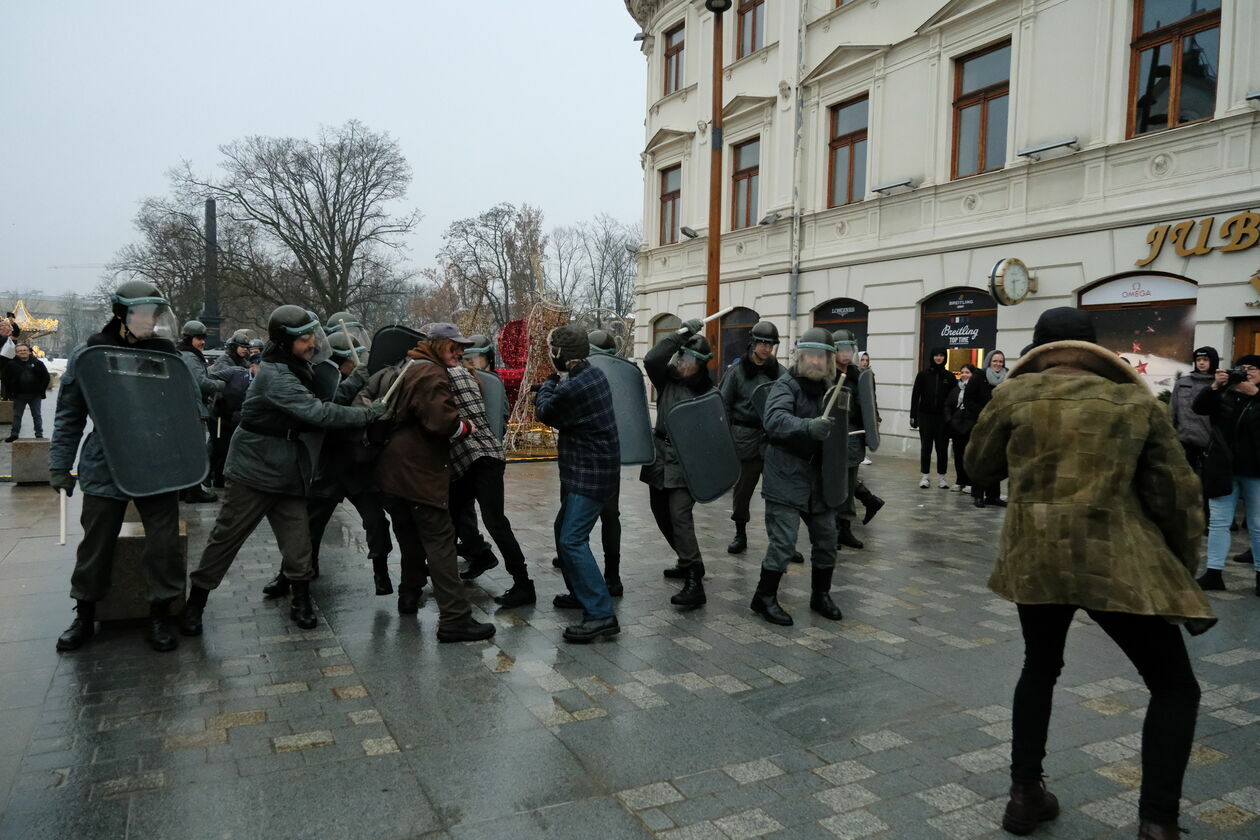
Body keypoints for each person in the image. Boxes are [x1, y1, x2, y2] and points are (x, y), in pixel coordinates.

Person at [967, 306, 1213, 840]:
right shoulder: (1133, 403)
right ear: (1094, 349)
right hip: (1115, 562)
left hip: (1035, 559)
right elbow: (1176, 493)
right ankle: (1157, 823)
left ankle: (1024, 795)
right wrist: (1180, 565)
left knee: (1040, 666)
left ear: (1039, 350)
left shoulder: (1012, 396)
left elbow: (978, 468)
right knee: (1174, 687)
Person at [180, 306, 385, 636]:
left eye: (312, 337)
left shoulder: (298, 366)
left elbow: (327, 397)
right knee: (226, 538)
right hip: (254, 470)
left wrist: (357, 379)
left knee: (298, 540)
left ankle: (300, 600)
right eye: (305, 340)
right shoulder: (277, 375)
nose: (312, 345)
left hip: (288, 468)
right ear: (286, 341)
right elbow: (318, 412)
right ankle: (196, 603)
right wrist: (369, 414)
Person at [50, 280, 188, 653]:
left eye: (152, 314)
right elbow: (69, 415)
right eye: (140, 313)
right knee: (96, 544)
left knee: (163, 546)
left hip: (157, 462)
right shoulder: (90, 355)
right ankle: (84, 613)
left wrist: (188, 462)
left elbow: (183, 413)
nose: (148, 320)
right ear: (121, 314)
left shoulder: (165, 355)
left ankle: (160, 612)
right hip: (106, 462)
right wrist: (60, 465)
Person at [373, 324, 496, 643]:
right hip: (418, 470)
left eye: (462, 347)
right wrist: (467, 427)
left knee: (411, 538)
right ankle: (455, 620)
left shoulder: (408, 366)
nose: (460, 351)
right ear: (438, 344)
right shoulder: (431, 373)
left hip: (394, 470)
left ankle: (409, 596)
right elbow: (442, 423)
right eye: (454, 346)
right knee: (441, 542)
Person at [749, 327, 845, 626]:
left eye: (822, 356)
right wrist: (806, 426)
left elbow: (840, 428)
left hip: (819, 477)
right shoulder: (785, 385)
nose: (816, 362)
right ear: (801, 356)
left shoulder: (834, 387)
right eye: (811, 355)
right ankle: (763, 598)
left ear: (829, 360)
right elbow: (774, 419)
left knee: (828, 538)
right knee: (784, 541)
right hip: (786, 473)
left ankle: (821, 594)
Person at [535, 325, 621, 642]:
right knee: (563, 531)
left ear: (561, 355)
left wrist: (546, 383)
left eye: (551, 352)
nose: (549, 356)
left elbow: (545, 410)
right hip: (595, 471)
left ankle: (600, 613)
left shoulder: (575, 387)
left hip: (590, 474)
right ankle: (581, 593)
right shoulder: (593, 374)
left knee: (572, 539)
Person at [447, 355, 535, 605]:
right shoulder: (468, 375)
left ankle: (523, 584)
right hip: (483, 457)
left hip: (477, 458)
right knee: (456, 514)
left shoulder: (449, 375)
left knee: (494, 522)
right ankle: (481, 555)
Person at [641, 318, 714, 610]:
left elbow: (715, 434)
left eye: (693, 360)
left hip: (686, 461)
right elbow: (652, 357)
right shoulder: (667, 378)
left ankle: (694, 580)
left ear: (702, 364)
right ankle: (687, 560)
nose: (686, 364)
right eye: (683, 356)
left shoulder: (708, 392)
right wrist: (682, 333)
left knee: (680, 515)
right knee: (660, 512)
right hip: (660, 456)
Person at [1192, 354, 1260, 595]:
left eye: (1253, 368)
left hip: (1255, 470)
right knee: (1218, 523)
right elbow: (1198, 408)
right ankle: (1213, 573)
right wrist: (1214, 385)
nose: (1247, 372)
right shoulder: (1224, 392)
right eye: (1242, 369)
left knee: (1258, 524)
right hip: (1224, 467)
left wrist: (1255, 395)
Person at [719, 320, 785, 555]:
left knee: (779, 492)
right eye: (762, 343)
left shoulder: (780, 373)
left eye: (770, 344)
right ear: (753, 343)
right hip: (744, 438)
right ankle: (740, 533)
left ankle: (780, 540)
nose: (766, 348)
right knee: (743, 492)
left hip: (773, 440)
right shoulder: (736, 372)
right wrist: (726, 439)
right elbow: (723, 406)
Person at [175, 320, 224, 502]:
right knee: (195, 452)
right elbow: (200, 382)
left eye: (203, 338)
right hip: (191, 410)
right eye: (198, 338)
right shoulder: (190, 356)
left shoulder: (185, 354)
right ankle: (194, 491)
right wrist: (219, 384)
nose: (202, 342)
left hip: (185, 409)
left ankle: (185, 490)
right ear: (189, 339)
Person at [207, 330, 253, 488]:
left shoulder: (243, 363)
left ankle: (221, 476)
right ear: (234, 347)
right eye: (242, 347)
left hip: (234, 412)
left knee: (227, 447)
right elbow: (215, 382)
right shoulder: (224, 362)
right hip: (221, 411)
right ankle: (209, 475)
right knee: (218, 447)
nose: (245, 350)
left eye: (246, 347)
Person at [942, 364, 993, 503]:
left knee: (969, 455)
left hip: (971, 426)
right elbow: (947, 405)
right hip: (957, 426)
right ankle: (960, 480)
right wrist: (949, 419)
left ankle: (970, 483)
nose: (964, 375)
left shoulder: (977, 389)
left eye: (967, 372)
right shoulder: (955, 389)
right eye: (962, 372)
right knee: (958, 455)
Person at [910, 347, 955, 489]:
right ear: (932, 357)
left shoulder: (949, 377)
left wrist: (951, 418)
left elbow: (953, 399)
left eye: (941, 355)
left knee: (942, 448)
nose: (938, 358)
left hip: (942, 418)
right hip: (925, 416)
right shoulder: (923, 375)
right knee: (926, 447)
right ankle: (925, 476)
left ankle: (942, 477)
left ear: (945, 358)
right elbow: (915, 396)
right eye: (936, 355)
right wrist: (913, 416)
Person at [2, 342, 50, 441]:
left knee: (37, 415)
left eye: (25, 350)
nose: (23, 352)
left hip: (35, 395)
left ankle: (39, 434)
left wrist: (41, 389)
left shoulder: (37, 363)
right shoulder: (11, 364)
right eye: (20, 351)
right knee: (17, 416)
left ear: (29, 352)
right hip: (18, 395)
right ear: (16, 353)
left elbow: (46, 377)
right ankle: (14, 434)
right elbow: (5, 379)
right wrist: (9, 392)